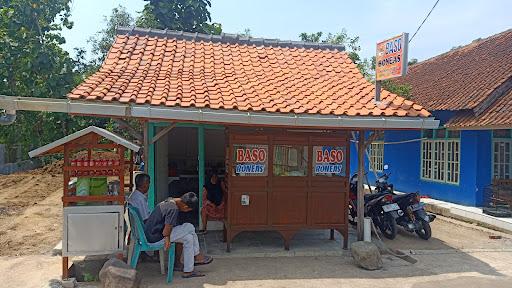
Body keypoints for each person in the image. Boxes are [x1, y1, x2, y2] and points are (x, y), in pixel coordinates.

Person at [128, 173, 212, 278]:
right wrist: (167, 238)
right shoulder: (173, 209)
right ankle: (198, 256)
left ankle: (188, 270)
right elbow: (167, 229)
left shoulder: (169, 200)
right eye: (188, 210)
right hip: (155, 236)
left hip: (151, 232)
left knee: (189, 238)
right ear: (185, 206)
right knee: (189, 227)